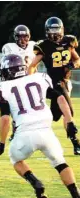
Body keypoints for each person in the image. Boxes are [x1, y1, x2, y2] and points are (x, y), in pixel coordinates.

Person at [0, 54, 80, 198]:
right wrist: (69, 121)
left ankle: (36, 184)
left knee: (16, 160)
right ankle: (75, 194)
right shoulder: (39, 78)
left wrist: (1, 143)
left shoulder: (2, 88)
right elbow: (61, 98)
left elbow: (5, 119)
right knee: (60, 163)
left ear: (6, 71)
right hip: (46, 132)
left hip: (24, 134)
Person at [27, 17, 80, 155]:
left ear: (62, 29)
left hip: (65, 82)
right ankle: (76, 143)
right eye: (52, 29)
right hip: (53, 82)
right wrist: (30, 81)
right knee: (69, 112)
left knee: (57, 115)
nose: (54, 32)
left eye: (57, 29)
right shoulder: (44, 45)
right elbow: (32, 65)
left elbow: (77, 59)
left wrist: (73, 64)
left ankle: (32, 130)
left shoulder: (68, 41)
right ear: (47, 31)